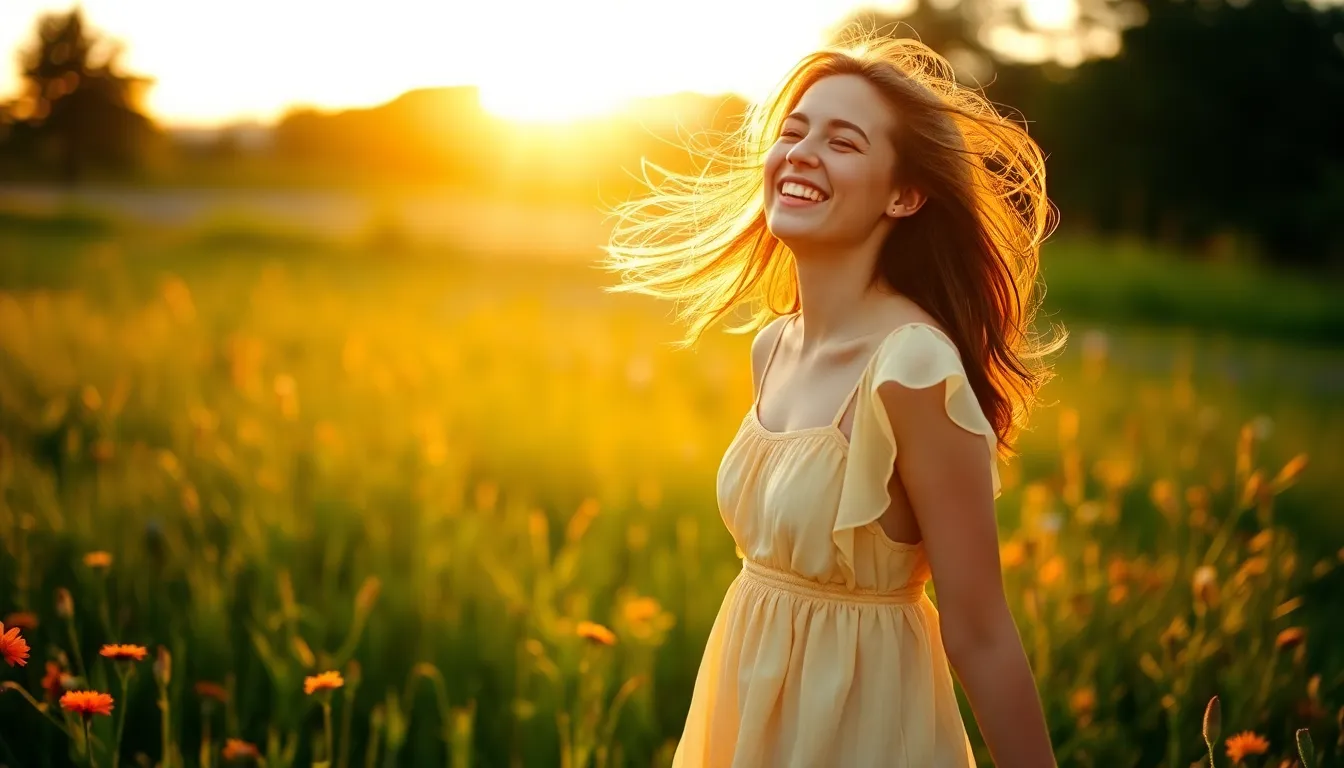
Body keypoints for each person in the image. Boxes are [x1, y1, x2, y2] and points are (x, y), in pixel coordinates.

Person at [602, 31, 1064, 768]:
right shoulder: (774, 347)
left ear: (904, 195)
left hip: (862, 730)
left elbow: (979, 630)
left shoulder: (911, 368)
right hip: (748, 716)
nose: (802, 152)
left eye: (843, 142)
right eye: (792, 131)